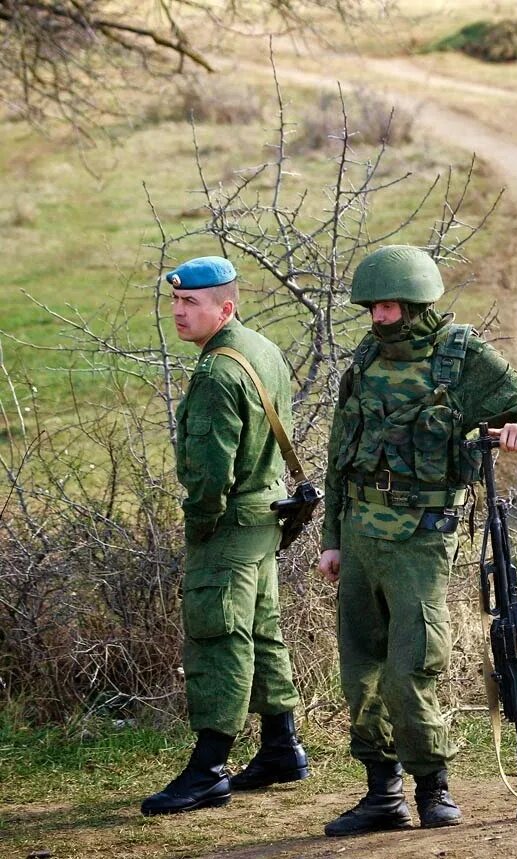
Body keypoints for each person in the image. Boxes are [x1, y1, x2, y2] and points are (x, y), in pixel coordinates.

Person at [318, 245, 517, 836]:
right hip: (359, 536)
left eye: (388, 307)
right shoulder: (365, 359)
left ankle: (433, 786)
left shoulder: (461, 358)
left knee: (411, 672)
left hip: (421, 539)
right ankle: (382, 794)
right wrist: (332, 537)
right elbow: (338, 458)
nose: (379, 319)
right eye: (371, 308)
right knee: (360, 676)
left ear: (416, 303)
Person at [142, 256, 308, 816]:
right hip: (265, 516)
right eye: (176, 301)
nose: (179, 312)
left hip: (231, 523)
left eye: (192, 303)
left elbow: (212, 472)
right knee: (262, 631)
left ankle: (207, 768)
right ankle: (282, 747)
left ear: (226, 307)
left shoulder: (217, 371)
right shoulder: (261, 347)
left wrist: (200, 526)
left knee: (219, 637)